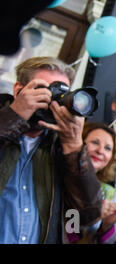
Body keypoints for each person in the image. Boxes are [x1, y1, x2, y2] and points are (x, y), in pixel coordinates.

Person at [0, 56, 102, 244]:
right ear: (18, 90)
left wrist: (74, 148)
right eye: (45, 91)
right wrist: (14, 116)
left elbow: (87, 217)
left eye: (59, 94)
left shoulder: (61, 148)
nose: (51, 101)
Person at [66, 122, 116, 244]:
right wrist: (93, 215)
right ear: (80, 144)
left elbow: (111, 241)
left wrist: (107, 224)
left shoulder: (106, 191)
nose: (100, 151)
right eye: (95, 142)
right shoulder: (65, 183)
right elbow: (67, 234)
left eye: (108, 148)